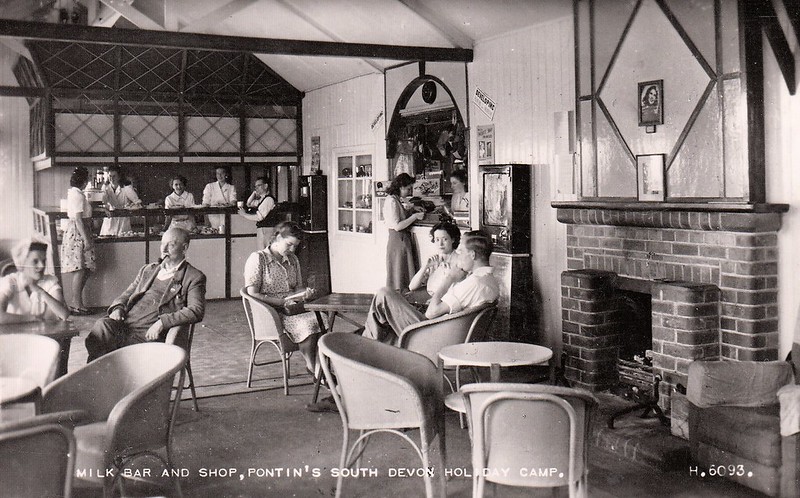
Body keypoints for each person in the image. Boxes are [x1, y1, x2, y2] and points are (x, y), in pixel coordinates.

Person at [84, 228, 206, 362]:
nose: (164, 249)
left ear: (184, 247)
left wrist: (162, 322)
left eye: (171, 245)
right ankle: (100, 376)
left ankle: (102, 376)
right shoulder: (148, 270)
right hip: (126, 326)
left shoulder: (193, 276)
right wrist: (118, 308)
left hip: (148, 334)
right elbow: (127, 294)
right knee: (102, 326)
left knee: (104, 350)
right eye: (162, 244)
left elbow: (196, 310)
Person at [363, 230, 500, 345]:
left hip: (431, 337)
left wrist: (450, 278)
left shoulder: (474, 283)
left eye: (461, 251)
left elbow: (431, 313)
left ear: (472, 255)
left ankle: (364, 346)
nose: (459, 256)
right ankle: (371, 344)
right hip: (444, 331)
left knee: (384, 294)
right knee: (390, 305)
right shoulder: (490, 280)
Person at [243, 222, 321, 374]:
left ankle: (318, 369)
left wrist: (305, 293)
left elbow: (298, 287)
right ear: (277, 238)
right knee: (310, 325)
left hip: (292, 309)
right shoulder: (259, 259)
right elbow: (252, 293)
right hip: (272, 314)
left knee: (322, 320)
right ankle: (314, 369)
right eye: (289, 244)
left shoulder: (292, 259)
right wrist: (279, 302)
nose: (292, 250)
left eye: (295, 246)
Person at [0, 239, 70, 324]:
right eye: (35, 261)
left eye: (44, 261)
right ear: (22, 262)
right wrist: (31, 319)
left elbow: (64, 314)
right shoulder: (10, 282)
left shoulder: (50, 281)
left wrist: (41, 291)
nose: (41, 266)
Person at [61, 166, 95, 316]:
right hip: (78, 233)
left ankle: (77, 302)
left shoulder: (77, 194)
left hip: (80, 231)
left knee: (85, 269)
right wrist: (86, 240)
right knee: (80, 269)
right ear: (83, 180)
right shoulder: (77, 195)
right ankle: (77, 304)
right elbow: (78, 220)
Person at [405, 222, 463, 307]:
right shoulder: (433, 260)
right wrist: (425, 266)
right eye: (437, 239)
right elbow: (412, 287)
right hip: (429, 297)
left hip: (445, 302)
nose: (440, 244)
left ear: (453, 239)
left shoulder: (459, 261)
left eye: (445, 239)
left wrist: (436, 299)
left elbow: (458, 290)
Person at [383, 173, 424, 291]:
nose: (409, 191)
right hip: (397, 240)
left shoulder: (396, 199)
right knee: (399, 274)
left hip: (402, 239)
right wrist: (415, 216)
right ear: (401, 187)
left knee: (403, 273)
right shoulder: (391, 201)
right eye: (408, 189)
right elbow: (397, 226)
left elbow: (400, 216)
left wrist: (412, 209)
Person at [100, 165, 142, 236]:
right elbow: (102, 202)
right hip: (110, 220)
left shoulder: (126, 188)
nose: (111, 179)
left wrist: (130, 206)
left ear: (119, 177)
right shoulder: (105, 188)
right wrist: (104, 207)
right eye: (110, 176)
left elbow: (138, 203)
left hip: (123, 221)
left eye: (114, 176)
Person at [238, 176, 276, 249]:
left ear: (266, 186)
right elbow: (249, 203)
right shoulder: (262, 199)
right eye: (255, 187)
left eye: (258, 186)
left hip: (267, 230)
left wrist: (244, 214)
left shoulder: (268, 199)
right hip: (263, 229)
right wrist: (254, 193)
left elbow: (259, 217)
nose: (256, 188)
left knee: (265, 252)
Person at [202, 166, 237, 230]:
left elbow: (233, 202)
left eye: (222, 173)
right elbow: (205, 203)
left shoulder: (231, 187)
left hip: (226, 216)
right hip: (213, 216)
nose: (220, 175)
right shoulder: (209, 186)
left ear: (226, 174)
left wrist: (227, 205)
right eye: (217, 173)